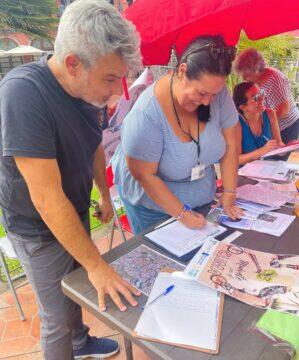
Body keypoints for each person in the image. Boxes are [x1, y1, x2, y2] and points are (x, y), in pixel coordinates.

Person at [0, 1, 142, 359]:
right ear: (73, 63)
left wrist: (105, 195)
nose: (114, 91)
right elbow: (46, 198)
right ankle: (68, 342)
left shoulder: (85, 90)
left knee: (77, 289)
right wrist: (97, 264)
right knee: (56, 317)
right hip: (35, 226)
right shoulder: (23, 92)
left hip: (74, 208)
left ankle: (80, 343)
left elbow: (94, 146)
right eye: (110, 79)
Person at [111, 35, 243, 234]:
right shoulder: (145, 115)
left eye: (213, 94)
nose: (208, 102)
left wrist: (230, 191)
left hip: (200, 197)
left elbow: (231, 143)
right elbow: (145, 175)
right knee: (164, 262)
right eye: (201, 93)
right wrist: (182, 214)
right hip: (152, 205)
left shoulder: (217, 91)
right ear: (182, 72)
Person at [234, 48, 299, 144]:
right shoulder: (254, 80)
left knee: (273, 156)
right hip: (270, 127)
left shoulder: (275, 79)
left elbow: (283, 110)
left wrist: (262, 125)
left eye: (245, 74)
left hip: (287, 126)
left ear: (256, 69)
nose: (243, 78)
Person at [233, 81, 284, 164]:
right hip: (246, 172)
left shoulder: (270, 114)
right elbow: (236, 160)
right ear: (243, 107)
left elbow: (278, 142)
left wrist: (283, 148)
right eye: (256, 98)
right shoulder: (237, 123)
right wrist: (263, 150)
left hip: (269, 167)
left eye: (261, 93)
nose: (262, 98)